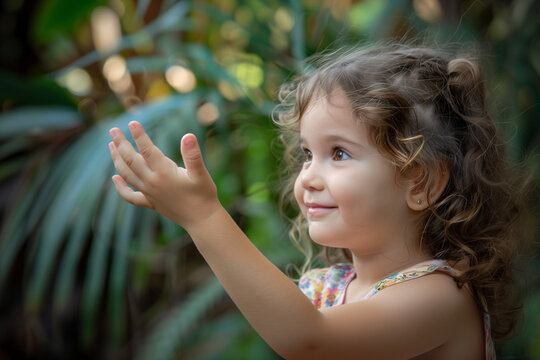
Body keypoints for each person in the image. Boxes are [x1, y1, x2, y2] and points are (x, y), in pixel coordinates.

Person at [108, 44, 521, 359]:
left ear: (420, 182)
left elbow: (308, 339)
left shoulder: (440, 297)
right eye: (308, 154)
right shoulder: (332, 288)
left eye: (338, 153)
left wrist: (202, 216)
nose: (307, 177)